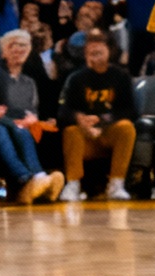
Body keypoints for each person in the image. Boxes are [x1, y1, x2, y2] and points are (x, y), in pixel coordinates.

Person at [0, 30, 63, 203]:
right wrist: (14, 122)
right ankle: (27, 178)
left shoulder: (28, 81)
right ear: (3, 50)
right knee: (3, 129)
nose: (19, 49)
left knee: (24, 130)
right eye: (14, 45)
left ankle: (37, 181)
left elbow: (29, 112)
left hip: (14, 127)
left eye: (24, 45)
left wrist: (32, 119)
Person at [58, 29, 136, 201]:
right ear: (85, 55)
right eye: (91, 54)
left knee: (127, 128)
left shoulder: (121, 76)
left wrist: (101, 121)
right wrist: (79, 119)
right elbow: (63, 111)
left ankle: (117, 184)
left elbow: (130, 111)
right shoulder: (76, 78)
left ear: (109, 52)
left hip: (109, 133)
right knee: (71, 131)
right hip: (85, 136)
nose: (95, 57)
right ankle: (73, 185)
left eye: (99, 53)